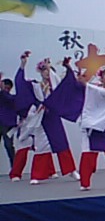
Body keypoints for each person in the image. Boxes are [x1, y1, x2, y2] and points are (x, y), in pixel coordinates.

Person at [47, 60, 105, 190]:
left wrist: (84, 83)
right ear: (101, 76)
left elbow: (97, 91)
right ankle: (85, 182)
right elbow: (76, 87)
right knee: (88, 153)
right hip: (90, 125)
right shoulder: (92, 88)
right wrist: (69, 68)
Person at [13, 53, 80, 184]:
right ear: (40, 72)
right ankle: (37, 175)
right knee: (41, 145)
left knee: (61, 142)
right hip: (40, 116)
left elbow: (69, 84)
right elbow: (20, 83)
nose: (46, 73)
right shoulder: (35, 85)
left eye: (48, 70)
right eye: (43, 70)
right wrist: (23, 64)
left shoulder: (56, 86)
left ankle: (71, 170)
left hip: (53, 115)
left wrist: (66, 67)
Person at [0, 77, 17, 169]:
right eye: (4, 87)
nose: (6, 90)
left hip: (8, 125)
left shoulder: (12, 98)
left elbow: (8, 98)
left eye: (7, 88)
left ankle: (14, 169)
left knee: (9, 146)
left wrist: (3, 91)